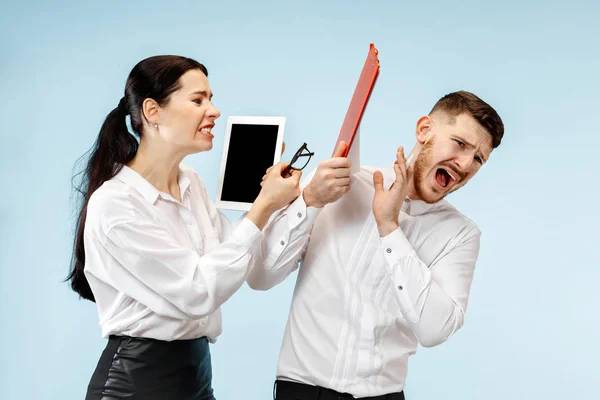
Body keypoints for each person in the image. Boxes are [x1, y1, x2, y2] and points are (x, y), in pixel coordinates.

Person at [66, 55, 304, 400]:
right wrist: (263, 205)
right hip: (136, 388)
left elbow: (255, 270)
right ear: (153, 112)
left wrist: (304, 202)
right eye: (198, 100)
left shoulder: (189, 182)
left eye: (211, 98)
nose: (214, 111)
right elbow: (199, 291)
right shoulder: (116, 203)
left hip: (195, 380)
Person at [248, 91, 505, 399]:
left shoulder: (461, 235)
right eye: (460, 144)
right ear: (424, 130)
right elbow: (260, 277)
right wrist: (310, 201)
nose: (465, 164)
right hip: (300, 391)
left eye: (478, 158)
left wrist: (389, 228)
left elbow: (435, 330)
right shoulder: (341, 184)